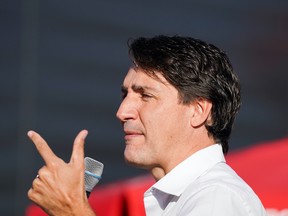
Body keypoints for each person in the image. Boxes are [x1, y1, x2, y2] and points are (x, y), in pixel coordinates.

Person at [27, 35, 267, 215]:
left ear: (198, 111)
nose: (122, 112)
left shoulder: (217, 198)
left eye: (145, 96)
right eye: (125, 95)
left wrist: (74, 211)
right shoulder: (187, 197)